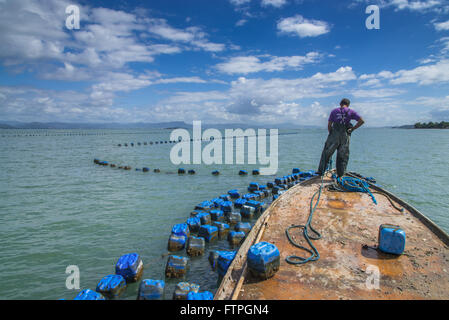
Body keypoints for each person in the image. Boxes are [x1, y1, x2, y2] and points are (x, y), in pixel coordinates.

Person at [317, 98, 364, 177]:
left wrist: (331, 134)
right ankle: (341, 174)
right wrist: (353, 129)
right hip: (345, 135)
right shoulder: (351, 111)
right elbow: (362, 121)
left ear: (340, 103)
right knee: (343, 155)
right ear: (348, 105)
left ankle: (321, 172)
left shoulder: (334, 111)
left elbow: (329, 125)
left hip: (334, 134)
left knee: (326, 153)